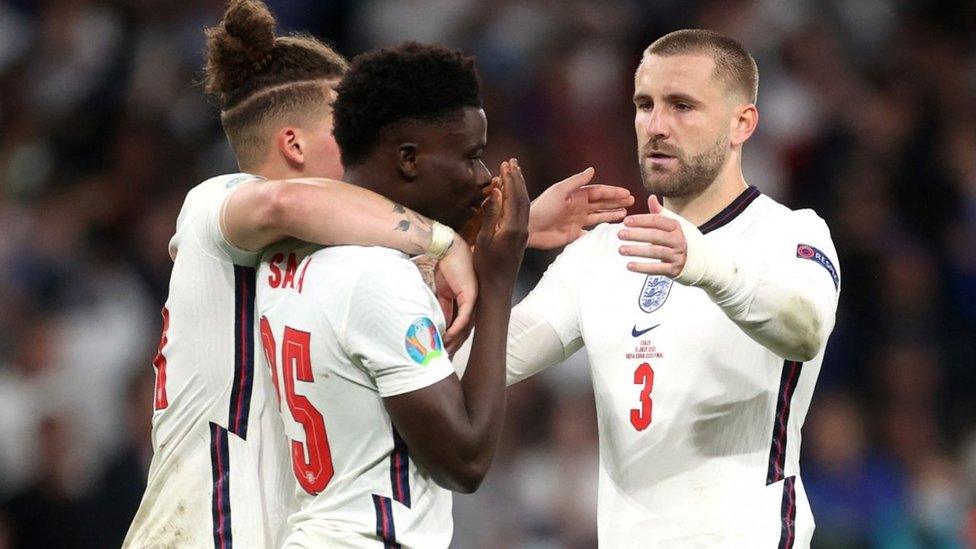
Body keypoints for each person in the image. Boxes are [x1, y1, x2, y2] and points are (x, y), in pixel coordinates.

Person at [125, 1, 632, 547]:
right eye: (344, 131)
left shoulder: (318, 261)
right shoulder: (215, 204)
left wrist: (505, 235)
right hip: (196, 532)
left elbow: (418, 339)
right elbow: (281, 206)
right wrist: (446, 243)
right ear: (293, 144)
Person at [460, 29, 841, 547]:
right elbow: (469, 368)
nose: (656, 126)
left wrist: (706, 265)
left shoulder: (789, 233)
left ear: (742, 123)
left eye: (682, 106)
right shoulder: (600, 254)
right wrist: (482, 244)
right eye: (645, 105)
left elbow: (806, 328)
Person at [256, 41, 529, 549]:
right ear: (409, 159)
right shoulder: (379, 276)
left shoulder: (288, 255)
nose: (483, 176)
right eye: (471, 156)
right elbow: (465, 461)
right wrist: (497, 280)